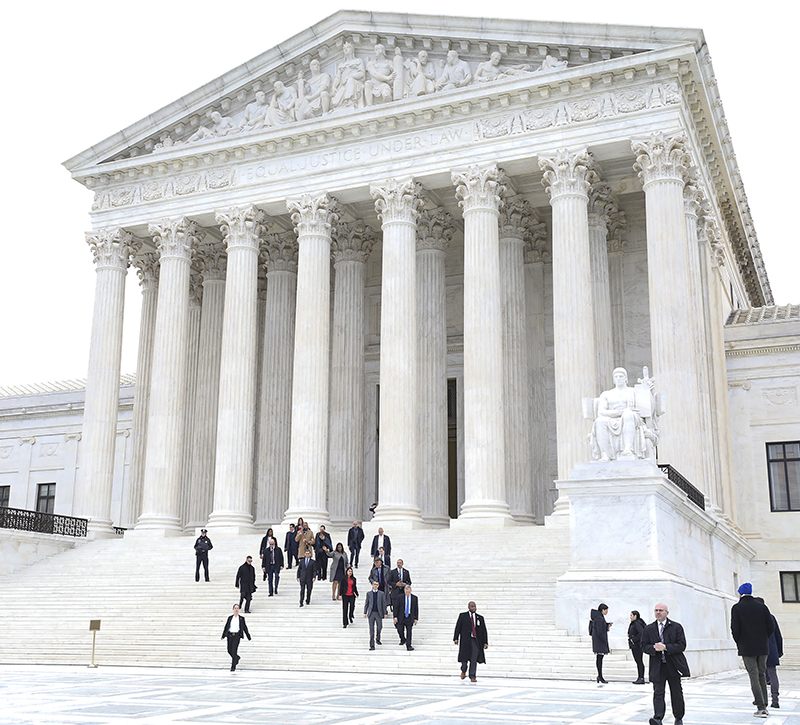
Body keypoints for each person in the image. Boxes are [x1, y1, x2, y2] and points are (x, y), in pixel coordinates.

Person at [731, 583, 775, 718]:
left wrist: (740, 642)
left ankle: (761, 707)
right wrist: (763, 638)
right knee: (761, 674)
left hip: (747, 647)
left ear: (740, 593)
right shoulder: (762, 607)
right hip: (762, 646)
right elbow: (770, 627)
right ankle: (764, 703)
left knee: (753, 675)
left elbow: (735, 629)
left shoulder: (737, 608)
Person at [641, 602, 689, 725]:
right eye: (656, 610)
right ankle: (658, 718)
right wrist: (653, 648)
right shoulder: (649, 628)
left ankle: (678, 717)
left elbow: (681, 645)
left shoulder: (676, 627)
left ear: (666, 613)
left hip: (673, 665)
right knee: (658, 692)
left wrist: (666, 647)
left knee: (676, 692)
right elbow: (643, 646)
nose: (658, 612)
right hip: (658, 666)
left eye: (661, 610)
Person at [453, 601, 488, 682]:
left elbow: (484, 631)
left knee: (474, 658)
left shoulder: (480, 618)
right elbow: (458, 627)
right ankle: (463, 670)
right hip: (465, 641)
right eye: (472, 606)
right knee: (464, 659)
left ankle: (472, 676)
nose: (474, 608)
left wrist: (485, 642)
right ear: (468, 607)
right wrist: (456, 638)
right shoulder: (463, 616)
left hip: (475, 641)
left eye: (475, 606)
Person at [221, 604, 250, 672]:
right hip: (230, 635)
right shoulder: (230, 618)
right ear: (233, 609)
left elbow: (244, 627)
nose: (236, 609)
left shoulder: (241, 618)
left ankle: (233, 666)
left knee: (234, 650)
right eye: (235, 608)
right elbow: (226, 627)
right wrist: (223, 635)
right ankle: (237, 658)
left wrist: (248, 636)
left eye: (237, 608)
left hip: (237, 636)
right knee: (229, 650)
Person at [764, 607, 783, 709]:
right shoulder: (771, 617)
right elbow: (778, 635)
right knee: (772, 674)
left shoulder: (756, 618)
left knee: (760, 675)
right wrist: (779, 651)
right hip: (772, 650)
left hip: (759, 650)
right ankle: (775, 699)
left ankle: (762, 700)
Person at [590, 603, 612, 683]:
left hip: (598, 641)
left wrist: (606, 625)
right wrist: (604, 640)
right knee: (599, 658)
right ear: (603, 610)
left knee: (599, 658)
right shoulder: (599, 618)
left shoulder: (598, 617)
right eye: (606, 610)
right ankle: (600, 676)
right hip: (599, 641)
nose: (607, 612)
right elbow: (599, 631)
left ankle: (600, 676)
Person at [363, 579, 388, 650]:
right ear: (372, 585)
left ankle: (378, 638)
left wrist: (385, 612)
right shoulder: (369, 594)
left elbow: (384, 604)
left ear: (378, 585)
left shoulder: (381, 593)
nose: (375, 586)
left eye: (377, 584)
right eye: (374, 584)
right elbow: (366, 603)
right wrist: (365, 612)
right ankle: (372, 645)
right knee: (371, 629)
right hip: (371, 613)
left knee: (379, 627)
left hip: (378, 613)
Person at [393, 585, 419, 651]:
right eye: (406, 592)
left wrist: (416, 618)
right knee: (400, 629)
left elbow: (416, 608)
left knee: (409, 632)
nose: (408, 593)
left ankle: (409, 645)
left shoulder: (414, 598)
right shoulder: (400, 597)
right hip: (401, 616)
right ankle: (403, 639)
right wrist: (395, 616)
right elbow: (396, 608)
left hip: (410, 617)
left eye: (409, 592)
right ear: (404, 591)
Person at [628, 610, 647, 684]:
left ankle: (641, 678)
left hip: (637, 646)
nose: (630, 617)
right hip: (635, 646)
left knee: (639, 661)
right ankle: (640, 677)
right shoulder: (634, 623)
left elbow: (641, 633)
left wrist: (634, 640)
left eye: (631, 615)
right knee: (638, 661)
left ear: (635, 616)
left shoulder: (637, 624)